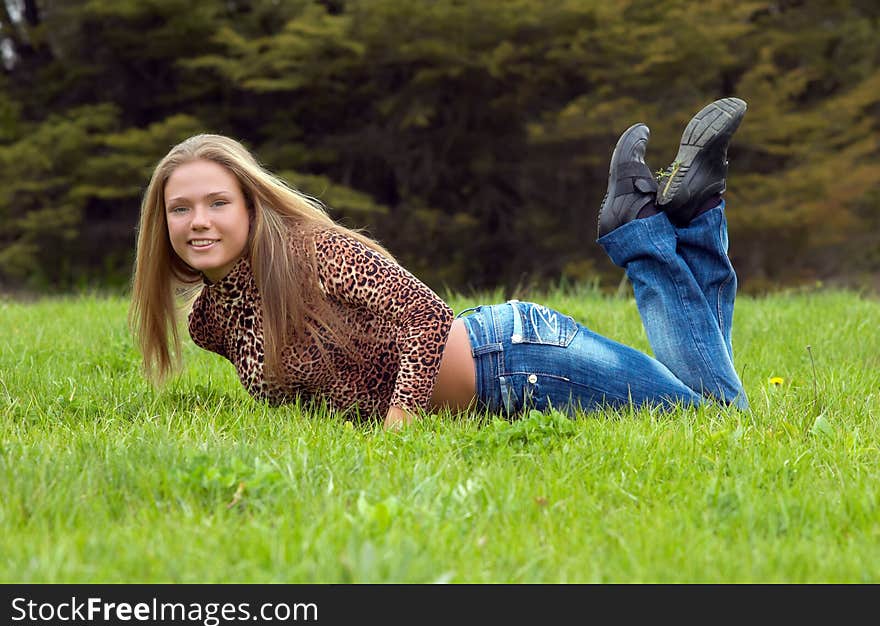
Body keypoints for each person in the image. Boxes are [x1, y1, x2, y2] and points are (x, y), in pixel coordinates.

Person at [129, 97, 749, 430]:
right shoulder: (210, 321)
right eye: (180, 209)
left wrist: (399, 422)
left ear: (250, 206)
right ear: (162, 225)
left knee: (715, 426)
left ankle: (638, 234)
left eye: (216, 203)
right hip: (501, 379)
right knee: (710, 409)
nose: (199, 222)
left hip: (521, 362)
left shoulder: (308, 253)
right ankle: (696, 215)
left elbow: (425, 316)